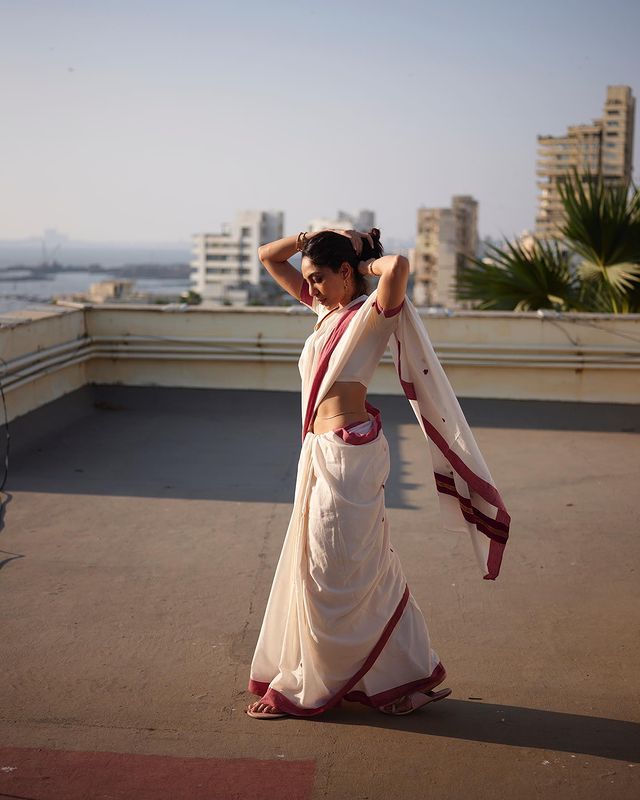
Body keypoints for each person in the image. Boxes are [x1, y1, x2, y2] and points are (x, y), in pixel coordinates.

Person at [245, 228, 510, 720]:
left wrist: (365, 259)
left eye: (321, 278)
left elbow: (400, 267)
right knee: (357, 566)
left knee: (334, 567)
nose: (313, 289)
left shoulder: (370, 316)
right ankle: (403, 681)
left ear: (346, 274)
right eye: (310, 281)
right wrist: (313, 236)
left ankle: (312, 685)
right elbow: (267, 256)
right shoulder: (326, 313)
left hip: (352, 457)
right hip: (321, 451)